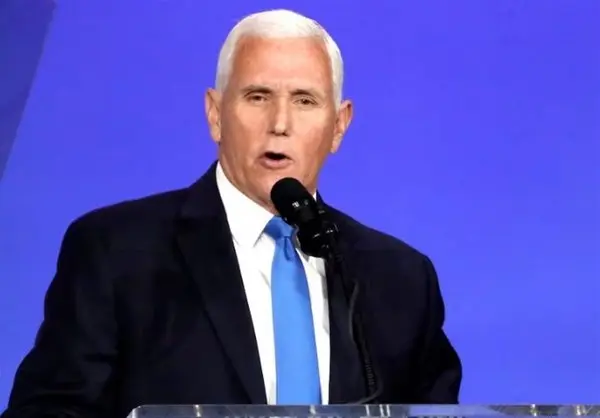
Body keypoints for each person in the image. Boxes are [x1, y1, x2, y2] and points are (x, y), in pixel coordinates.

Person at [1, 8, 461, 418]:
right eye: (258, 96)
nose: (280, 123)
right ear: (215, 114)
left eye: (304, 100)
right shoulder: (117, 253)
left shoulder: (401, 278)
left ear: (338, 125)